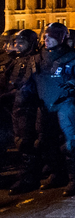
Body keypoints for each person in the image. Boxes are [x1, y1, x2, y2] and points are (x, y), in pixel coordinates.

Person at [19, 23, 75, 196]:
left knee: (71, 142)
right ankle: (57, 174)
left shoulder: (73, 57)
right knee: (45, 141)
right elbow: (29, 83)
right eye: (45, 37)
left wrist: (73, 83)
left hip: (65, 103)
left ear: (60, 38)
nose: (46, 40)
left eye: (50, 37)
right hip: (45, 106)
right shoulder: (37, 59)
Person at [7, 30, 40, 195]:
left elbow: (29, 84)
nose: (17, 45)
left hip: (28, 106)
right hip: (17, 106)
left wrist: (14, 92)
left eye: (22, 42)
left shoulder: (34, 60)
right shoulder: (16, 60)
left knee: (26, 142)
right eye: (17, 42)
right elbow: (7, 81)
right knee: (19, 140)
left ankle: (29, 178)